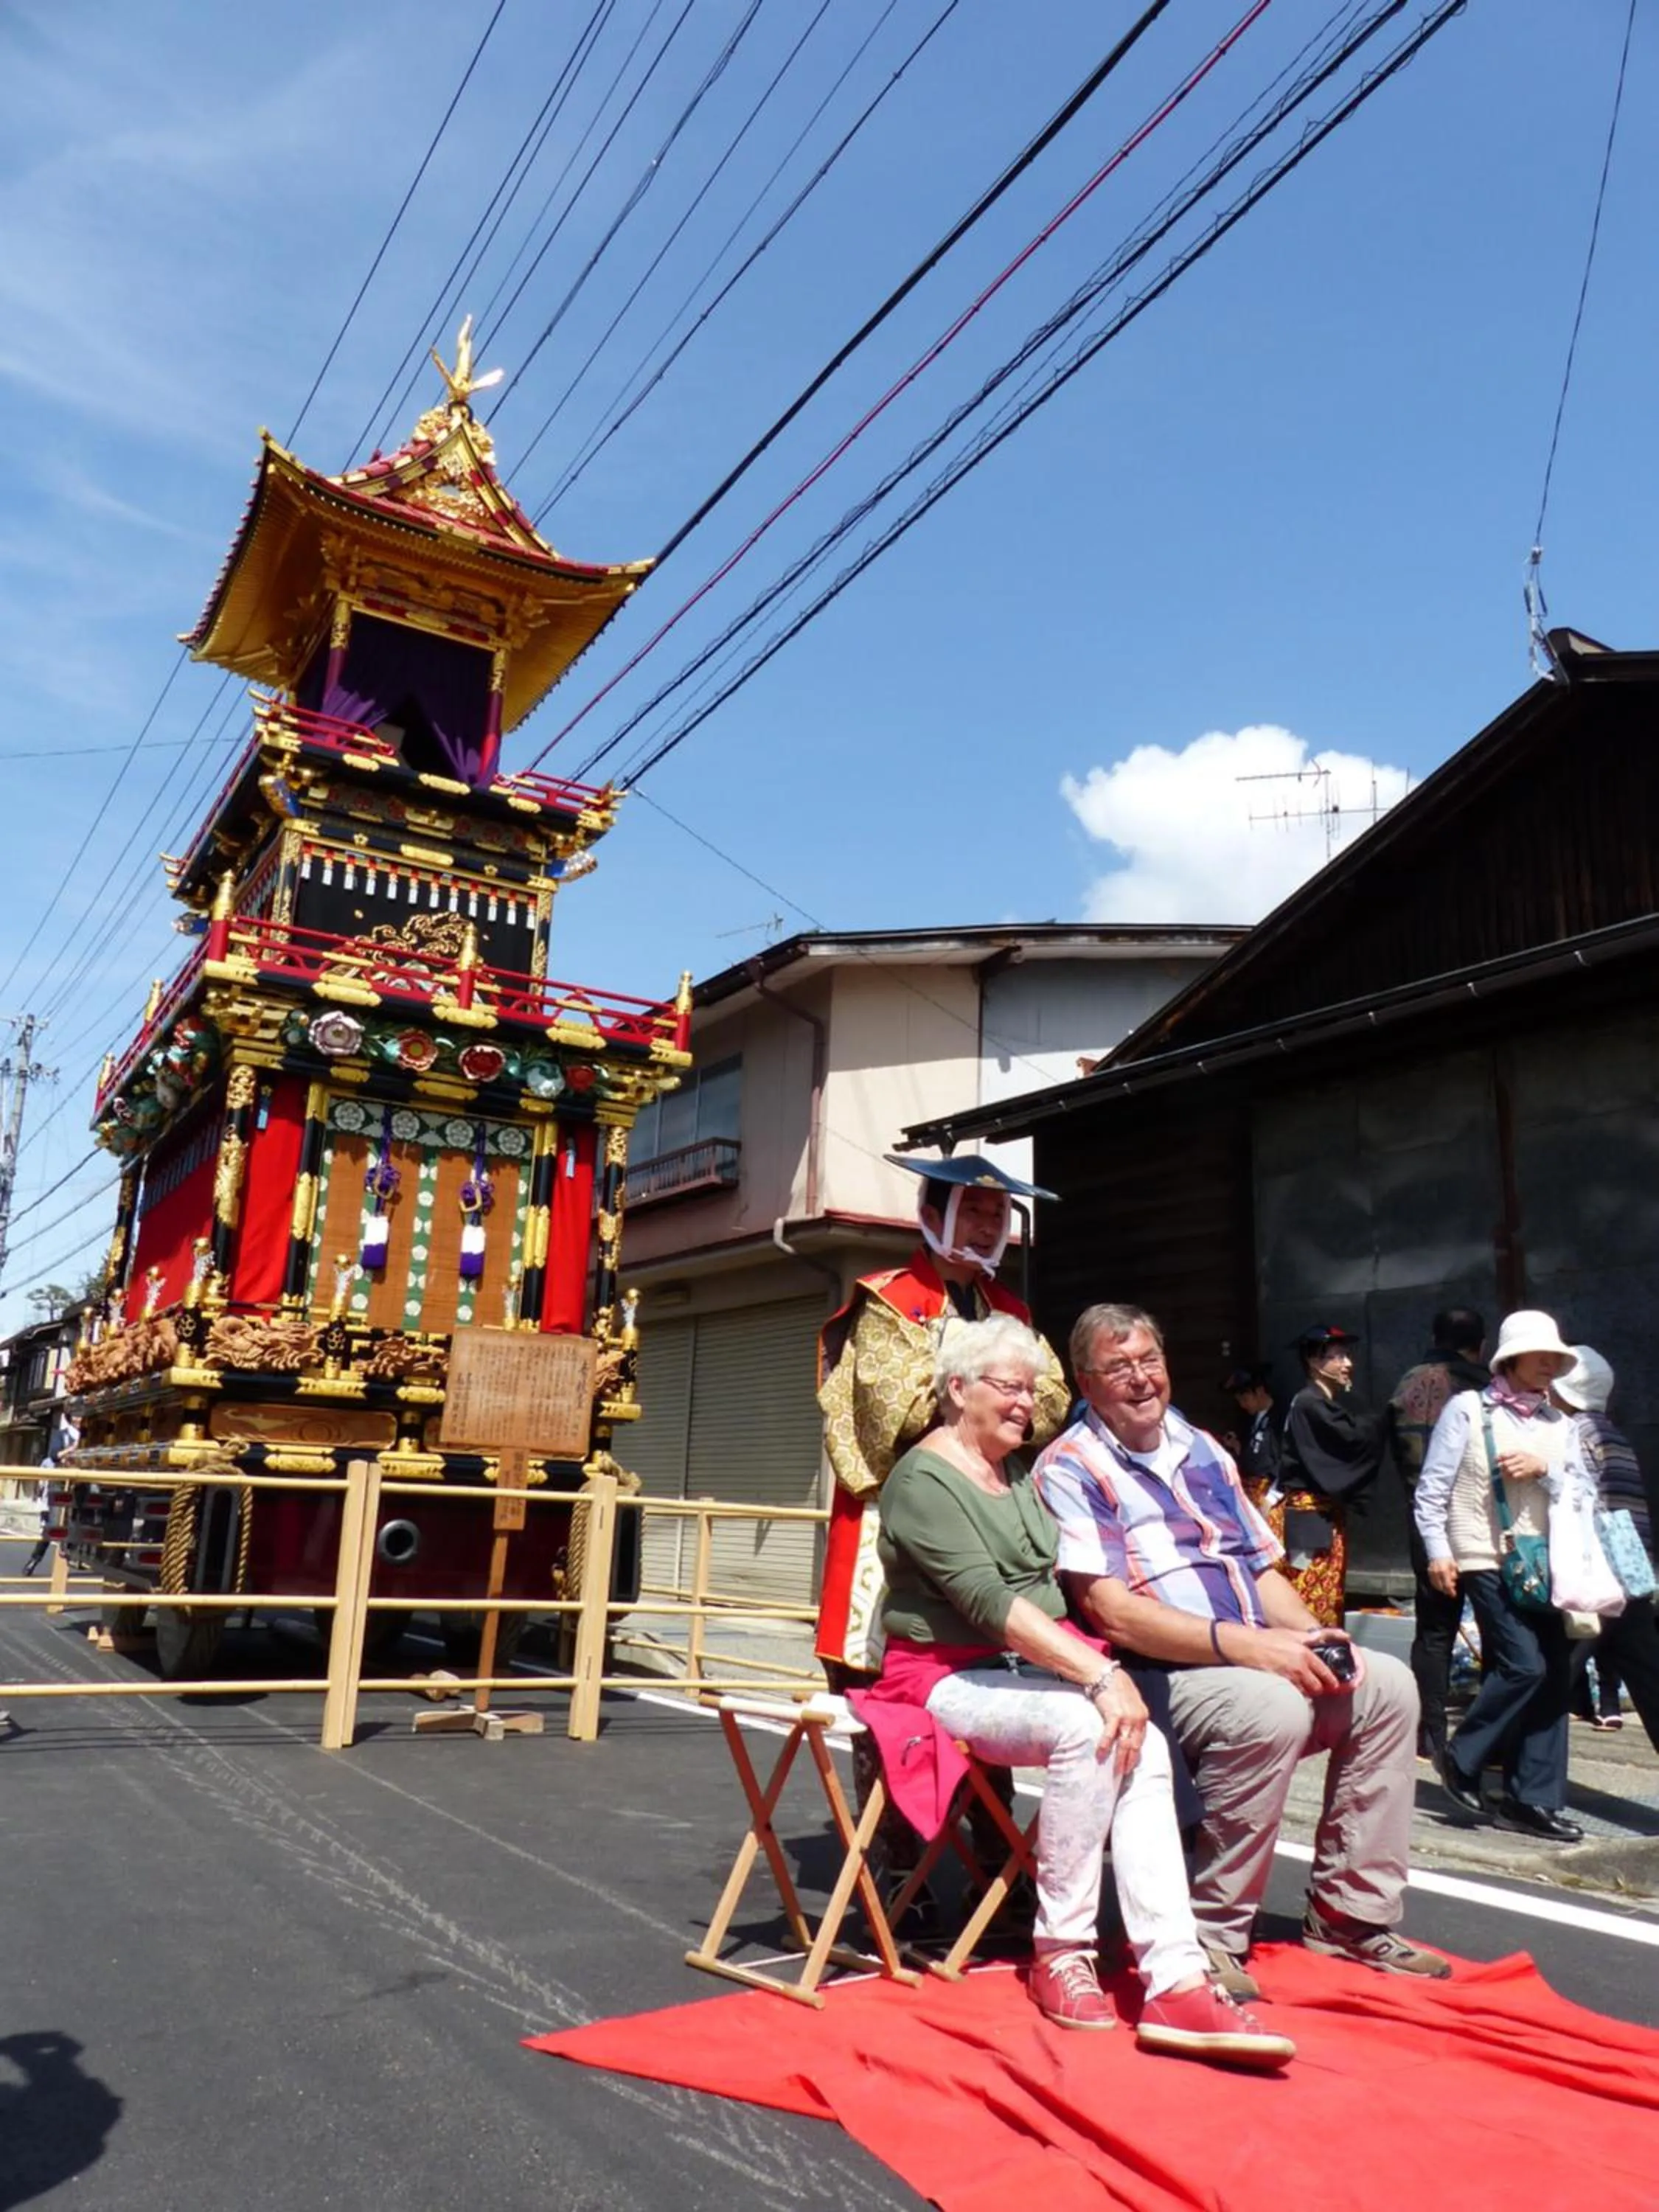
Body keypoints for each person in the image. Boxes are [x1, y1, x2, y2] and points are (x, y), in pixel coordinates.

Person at [855, 1315, 1293, 2065]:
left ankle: (1176, 1979)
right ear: (957, 1390)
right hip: (940, 1678)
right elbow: (992, 1605)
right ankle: (1062, 1949)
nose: (1026, 1403)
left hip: (1026, 1670)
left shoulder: (1018, 1473)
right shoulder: (922, 1481)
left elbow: (1053, 1597)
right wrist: (1101, 1673)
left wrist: (1099, 1668)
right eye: (1007, 1387)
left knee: (1141, 1738)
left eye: (1031, 1390)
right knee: (1091, 1728)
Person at [1037, 1302, 1448, 2000]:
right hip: (1156, 1675)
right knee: (1267, 1707)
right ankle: (1208, 1932)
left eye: (1149, 1362)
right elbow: (1112, 1611)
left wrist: (1308, 1632)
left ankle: (1351, 1914)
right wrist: (1254, 1651)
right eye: (1118, 1368)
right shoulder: (1068, 1466)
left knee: (1388, 1686)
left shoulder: (1204, 1448)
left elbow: (1261, 1571)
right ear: (1085, 1381)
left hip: (1244, 1650)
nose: (1140, 1380)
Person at [815, 1153, 1068, 1680]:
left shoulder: (1009, 1309)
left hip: (988, 1509)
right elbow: (894, 1415)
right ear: (931, 1218)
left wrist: (973, 1381)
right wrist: (988, 1377)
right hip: (897, 1510)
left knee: (995, 1680)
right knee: (886, 1697)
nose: (986, 1226)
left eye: (998, 1215)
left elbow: (1047, 1404)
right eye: (972, 1210)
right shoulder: (889, 1301)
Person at [1414, 1310, 1589, 1840]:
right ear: (1510, 1357)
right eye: (1541, 1355)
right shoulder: (1469, 1410)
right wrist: (1439, 1552)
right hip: (1483, 1556)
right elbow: (1433, 1489)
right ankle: (1462, 1756)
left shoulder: (1564, 1424)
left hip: (1546, 1562)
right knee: (1524, 1666)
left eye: (1556, 1357)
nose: (1550, 1365)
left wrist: (1546, 1471)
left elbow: (1584, 1495)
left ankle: (1531, 1800)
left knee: (1556, 1676)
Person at [1388, 1310, 1488, 1771]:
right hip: (1478, 1522)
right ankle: (1492, 1736)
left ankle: (1429, 1735)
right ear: (1480, 1345)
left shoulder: (1406, 1383)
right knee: (1497, 1628)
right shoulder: (1484, 1386)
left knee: (1434, 1630)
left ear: (1433, 1335)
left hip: (1421, 1519)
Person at [1554, 1346, 1659, 1753]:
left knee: (1554, 1673)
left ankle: (1490, 1756)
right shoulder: (1615, 1434)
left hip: (1595, 1573)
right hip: (1630, 1572)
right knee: (1649, 1675)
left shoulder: (1574, 1433)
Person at [1279, 1324, 1388, 1625]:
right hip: (1308, 1517)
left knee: (1324, 1595)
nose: (1348, 1364)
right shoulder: (1310, 1403)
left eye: (1347, 1356)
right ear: (1315, 1362)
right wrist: (1386, 1420)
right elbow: (1352, 1439)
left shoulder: (1315, 1402)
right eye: (1338, 1357)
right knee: (1311, 1598)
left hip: (1317, 1515)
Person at [1222, 1365, 1281, 1495]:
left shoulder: (1280, 1419)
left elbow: (1281, 1461)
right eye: (1239, 1401)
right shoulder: (1247, 1420)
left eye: (1245, 1399)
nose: (1243, 1405)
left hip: (1270, 1490)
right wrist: (1238, 1447)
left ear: (1260, 1391)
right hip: (1250, 1488)